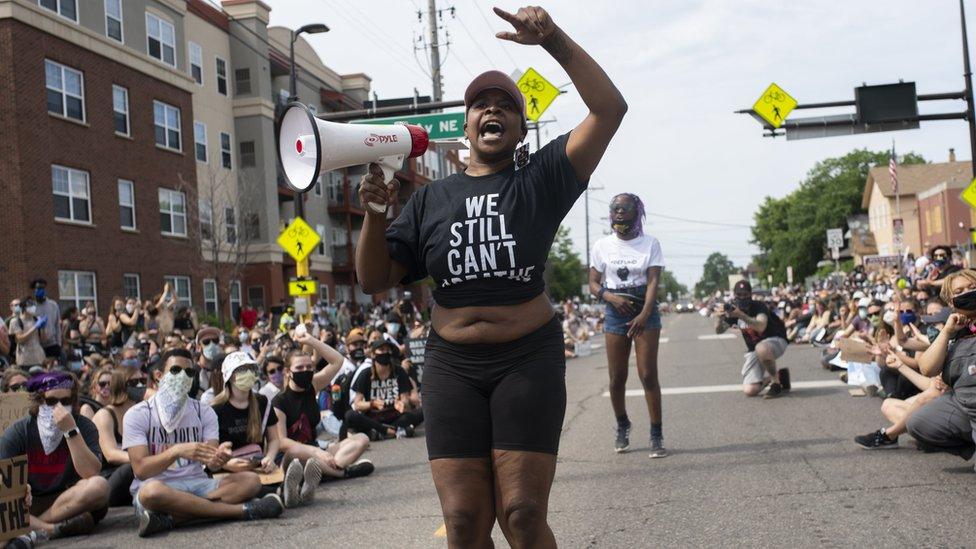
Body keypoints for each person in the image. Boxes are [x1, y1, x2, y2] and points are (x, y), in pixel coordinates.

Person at [355, 6, 626, 547]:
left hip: (527, 358)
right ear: (466, 126)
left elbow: (610, 108)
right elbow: (374, 279)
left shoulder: (542, 178)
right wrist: (374, 214)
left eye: (506, 105)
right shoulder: (430, 198)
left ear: (522, 129)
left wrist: (553, 41)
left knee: (522, 514)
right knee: (463, 520)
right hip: (451, 366)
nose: (492, 110)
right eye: (481, 104)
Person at [123, 348, 283, 538]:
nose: (182, 377)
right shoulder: (138, 414)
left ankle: (172, 518)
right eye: (175, 370)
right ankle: (242, 511)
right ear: (158, 375)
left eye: (189, 372)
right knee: (151, 492)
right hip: (159, 487)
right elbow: (141, 470)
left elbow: (212, 462)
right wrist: (176, 451)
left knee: (251, 481)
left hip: (198, 485)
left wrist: (220, 458)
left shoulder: (204, 412)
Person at [588, 192, 666, 456]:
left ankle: (656, 433)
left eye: (625, 208)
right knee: (616, 377)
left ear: (637, 211)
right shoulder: (602, 246)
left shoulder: (650, 243)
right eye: (615, 208)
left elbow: (654, 281)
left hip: (644, 310)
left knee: (647, 374)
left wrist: (645, 314)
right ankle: (622, 424)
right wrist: (610, 297)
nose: (619, 212)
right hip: (614, 312)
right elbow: (593, 283)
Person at [0, 372, 110, 540]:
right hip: (29, 503)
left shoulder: (84, 426)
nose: (59, 408)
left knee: (99, 486)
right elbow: (5, 487)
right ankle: (51, 529)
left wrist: (71, 431)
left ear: (73, 403)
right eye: (51, 402)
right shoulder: (18, 432)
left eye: (65, 402)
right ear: (40, 401)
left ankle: (35, 528)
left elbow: (91, 473)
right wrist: (22, 489)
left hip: (68, 500)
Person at [272, 333, 374, 482]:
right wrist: (315, 452)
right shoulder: (279, 401)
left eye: (309, 367)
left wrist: (311, 340)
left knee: (362, 439)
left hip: (317, 452)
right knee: (295, 453)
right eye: (299, 368)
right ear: (288, 372)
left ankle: (325, 472)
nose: (305, 371)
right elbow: (282, 442)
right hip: (293, 457)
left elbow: (337, 361)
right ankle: (342, 473)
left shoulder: (312, 385)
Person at [210, 352, 307, 508]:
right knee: (250, 483)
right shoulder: (215, 409)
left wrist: (269, 457)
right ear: (229, 376)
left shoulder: (261, 401)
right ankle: (285, 492)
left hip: (258, 464)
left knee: (288, 462)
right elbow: (210, 453)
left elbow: (274, 439)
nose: (247, 374)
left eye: (250, 369)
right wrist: (227, 463)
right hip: (228, 469)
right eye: (241, 370)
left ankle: (289, 490)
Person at [906, 270, 976, 462]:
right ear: (952, 302)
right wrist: (946, 331)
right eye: (959, 291)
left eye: (972, 287)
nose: (968, 293)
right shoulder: (952, 331)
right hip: (962, 406)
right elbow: (927, 369)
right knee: (917, 423)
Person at [714, 280, 791, 398]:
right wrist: (719, 317)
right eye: (739, 295)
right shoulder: (733, 311)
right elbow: (719, 330)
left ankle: (776, 384)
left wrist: (741, 315)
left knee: (762, 348)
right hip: (755, 350)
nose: (742, 298)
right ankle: (779, 376)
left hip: (775, 340)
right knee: (750, 390)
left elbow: (761, 326)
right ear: (735, 295)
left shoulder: (758, 306)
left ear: (750, 294)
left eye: (745, 295)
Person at [345, 340, 425, 440]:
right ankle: (391, 431)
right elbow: (357, 404)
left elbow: (405, 398)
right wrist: (372, 404)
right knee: (350, 415)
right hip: (373, 418)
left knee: (424, 410)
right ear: (373, 354)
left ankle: (378, 433)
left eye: (388, 350)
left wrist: (401, 403)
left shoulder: (399, 371)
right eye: (381, 350)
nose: (385, 353)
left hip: (396, 416)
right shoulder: (365, 374)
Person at [92, 368, 138, 506]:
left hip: (135, 476)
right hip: (110, 477)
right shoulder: (104, 415)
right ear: (123, 386)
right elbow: (110, 454)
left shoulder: (140, 411)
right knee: (134, 467)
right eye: (136, 382)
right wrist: (144, 459)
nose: (141, 386)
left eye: (143, 381)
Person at [9, 297, 46, 369]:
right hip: (24, 360)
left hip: (39, 359)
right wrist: (35, 327)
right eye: (31, 305)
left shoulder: (36, 319)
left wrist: (43, 328)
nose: (33, 307)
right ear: (23, 307)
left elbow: (43, 340)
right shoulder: (16, 321)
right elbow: (20, 339)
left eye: (34, 305)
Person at [29, 279, 62, 361]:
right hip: (37, 345)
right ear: (34, 290)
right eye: (38, 288)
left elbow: (57, 325)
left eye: (43, 288)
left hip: (52, 344)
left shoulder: (53, 305)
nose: (41, 290)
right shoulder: (31, 307)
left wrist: (59, 343)